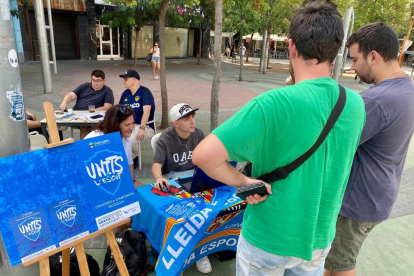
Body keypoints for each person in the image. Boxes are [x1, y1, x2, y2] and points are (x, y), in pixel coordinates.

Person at [192, 2, 366, 275]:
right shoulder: (355, 105)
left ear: (292, 46)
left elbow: (203, 155)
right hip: (319, 237)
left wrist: (244, 182)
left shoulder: (271, 104)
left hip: (269, 237)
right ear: (336, 49)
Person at [323, 23, 414, 276]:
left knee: (340, 266)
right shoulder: (407, 88)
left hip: (359, 201)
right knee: (334, 263)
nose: (352, 67)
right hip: (380, 194)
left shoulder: (375, 100)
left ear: (373, 56)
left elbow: (331, 145)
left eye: (355, 59)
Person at [151, 103, 210, 273]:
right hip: (173, 178)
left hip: (196, 176)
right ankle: (181, 251)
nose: (192, 122)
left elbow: (208, 156)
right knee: (186, 212)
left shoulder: (198, 133)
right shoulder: (165, 138)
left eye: (193, 117)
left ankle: (201, 250)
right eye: (187, 119)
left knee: (207, 208)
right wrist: (158, 177)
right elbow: (156, 164)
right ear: (175, 123)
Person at [84, 104, 138, 184]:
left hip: (117, 181)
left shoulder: (126, 138)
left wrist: (130, 186)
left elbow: (129, 164)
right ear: (115, 125)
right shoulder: (94, 138)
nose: (132, 128)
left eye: (132, 123)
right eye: (127, 125)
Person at [59, 70, 114, 139]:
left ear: (104, 80)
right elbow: (71, 95)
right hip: (76, 115)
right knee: (55, 123)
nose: (95, 83)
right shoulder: (84, 86)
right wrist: (64, 103)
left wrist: (92, 111)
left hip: (92, 117)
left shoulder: (107, 91)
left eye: (98, 81)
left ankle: (84, 147)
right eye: (93, 80)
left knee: (84, 125)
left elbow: (108, 107)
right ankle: (57, 146)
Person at [119, 69, 155, 165]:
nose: (123, 81)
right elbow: (120, 110)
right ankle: (121, 158)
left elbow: (146, 113)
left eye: (126, 79)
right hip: (128, 125)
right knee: (114, 136)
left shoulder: (145, 92)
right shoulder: (125, 93)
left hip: (144, 125)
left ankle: (131, 160)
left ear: (134, 79)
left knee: (131, 139)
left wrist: (142, 128)